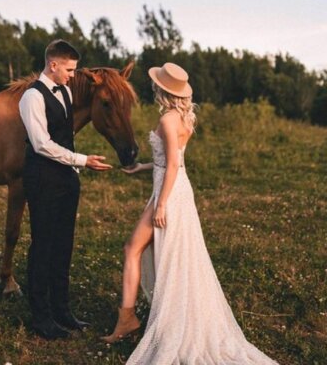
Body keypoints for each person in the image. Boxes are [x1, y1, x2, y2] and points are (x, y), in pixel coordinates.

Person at [101, 63, 279, 364]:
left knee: (133, 248)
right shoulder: (183, 118)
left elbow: (172, 164)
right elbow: (172, 162)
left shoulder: (168, 119)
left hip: (169, 194)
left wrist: (161, 204)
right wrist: (141, 167)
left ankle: (129, 320)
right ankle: (131, 317)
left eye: (156, 85)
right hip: (176, 188)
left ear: (161, 89)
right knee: (167, 254)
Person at [19, 39, 112, 340]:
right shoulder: (32, 97)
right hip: (42, 179)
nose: (73, 76)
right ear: (53, 64)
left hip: (66, 179)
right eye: (69, 70)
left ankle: (62, 310)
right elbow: (41, 144)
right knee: (43, 245)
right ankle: (41, 317)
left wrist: (73, 169)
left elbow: (64, 136)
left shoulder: (67, 91)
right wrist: (82, 160)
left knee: (64, 246)